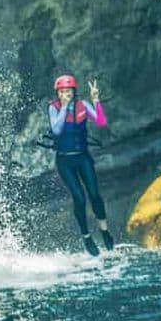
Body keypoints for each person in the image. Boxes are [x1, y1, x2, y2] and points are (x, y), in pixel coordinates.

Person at [48, 74, 115, 256]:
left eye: (68, 91)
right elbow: (57, 130)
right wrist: (64, 107)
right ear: (57, 93)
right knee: (79, 198)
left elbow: (101, 121)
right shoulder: (54, 108)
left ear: (74, 91)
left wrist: (96, 100)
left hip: (83, 158)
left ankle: (104, 231)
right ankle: (86, 236)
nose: (65, 94)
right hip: (65, 161)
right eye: (62, 91)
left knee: (95, 195)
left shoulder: (83, 105)